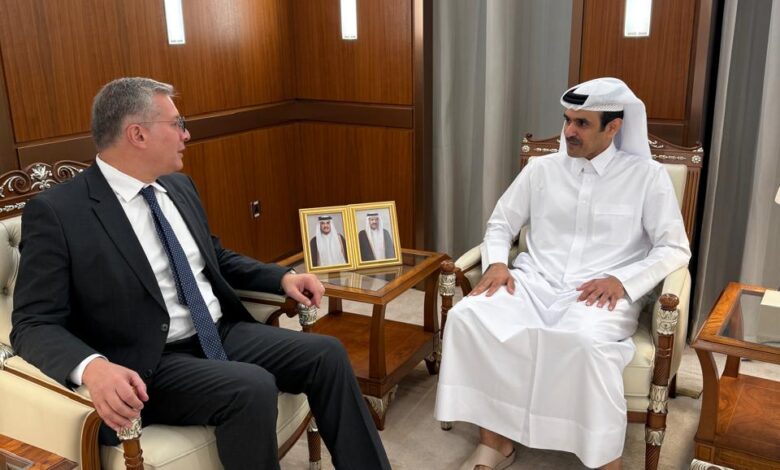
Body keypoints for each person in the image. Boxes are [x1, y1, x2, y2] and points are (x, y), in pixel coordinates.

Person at [10, 77, 391, 470]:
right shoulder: (60, 212)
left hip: (218, 331)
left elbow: (214, 257)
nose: (186, 135)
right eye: (177, 124)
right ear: (138, 134)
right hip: (150, 363)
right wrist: (94, 368)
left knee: (327, 354)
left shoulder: (178, 186)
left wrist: (280, 278)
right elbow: (32, 323)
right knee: (252, 387)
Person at [434, 77, 691, 470]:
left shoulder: (647, 177)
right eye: (567, 119)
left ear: (614, 127)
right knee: (468, 317)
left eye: (582, 123)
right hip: (533, 283)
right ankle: (495, 442)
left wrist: (624, 282)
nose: (568, 131)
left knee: (584, 344)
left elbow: (674, 247)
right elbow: (501, 223)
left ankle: (604, 460)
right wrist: (498, 262)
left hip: (598, 295)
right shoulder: (541, 170)